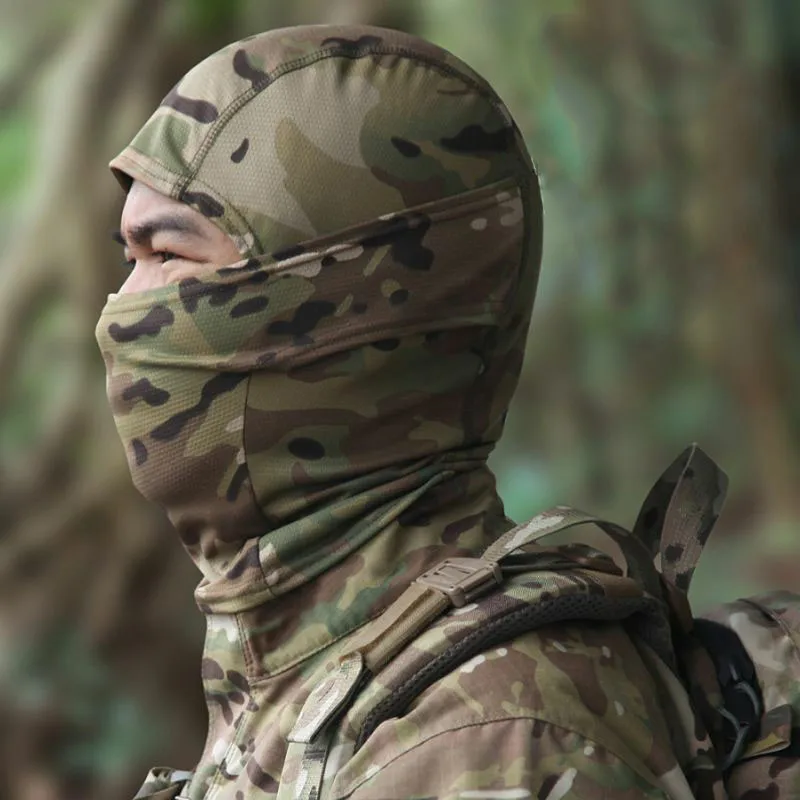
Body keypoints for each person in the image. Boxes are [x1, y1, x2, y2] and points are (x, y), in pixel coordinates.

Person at [97, 23, 741, 800]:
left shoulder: (484, 739)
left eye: (168, 255)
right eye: (129, 259)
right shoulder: (323, 672)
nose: (118, 312)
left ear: (346, 308)